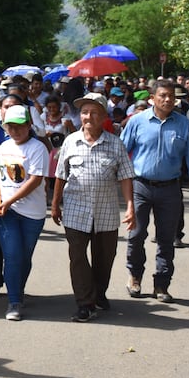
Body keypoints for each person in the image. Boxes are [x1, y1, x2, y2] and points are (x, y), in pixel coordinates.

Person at [50, 93, 136, 322]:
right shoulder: (70, 141)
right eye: (84, 112)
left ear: (104, 116)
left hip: (106, 212)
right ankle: (85, 303)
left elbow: (125, 177)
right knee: (78, 257)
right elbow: (60, 175)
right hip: (75, 211)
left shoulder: (115, 144)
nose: (88, 117)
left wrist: (130, 206)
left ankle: (99, 293)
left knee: (104, 259)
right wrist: (55, 204)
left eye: (94, 112)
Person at [119, 79, 189, 303]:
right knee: (136, 235)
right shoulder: (137, 122)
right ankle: (135, 276)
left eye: (171, 96)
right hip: (140, 186)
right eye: (163, 96)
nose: (167, 100)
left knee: (166, 239)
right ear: (152, 98)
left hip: (170, 189)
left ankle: (162, 284)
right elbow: (121, 152)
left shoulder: (184, 125)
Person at [0, 105, 50, 321]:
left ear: (29, 125)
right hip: (6, 212)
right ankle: (14, 301)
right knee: (12, 255)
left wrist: (10, 200)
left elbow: (35, 180)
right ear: (5, 127)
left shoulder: (38, 148)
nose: (15, 131)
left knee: (24, 257)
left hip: (32, 213)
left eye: (19, 126)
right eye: (10, 126)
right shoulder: (3, 146)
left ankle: (18, 289)